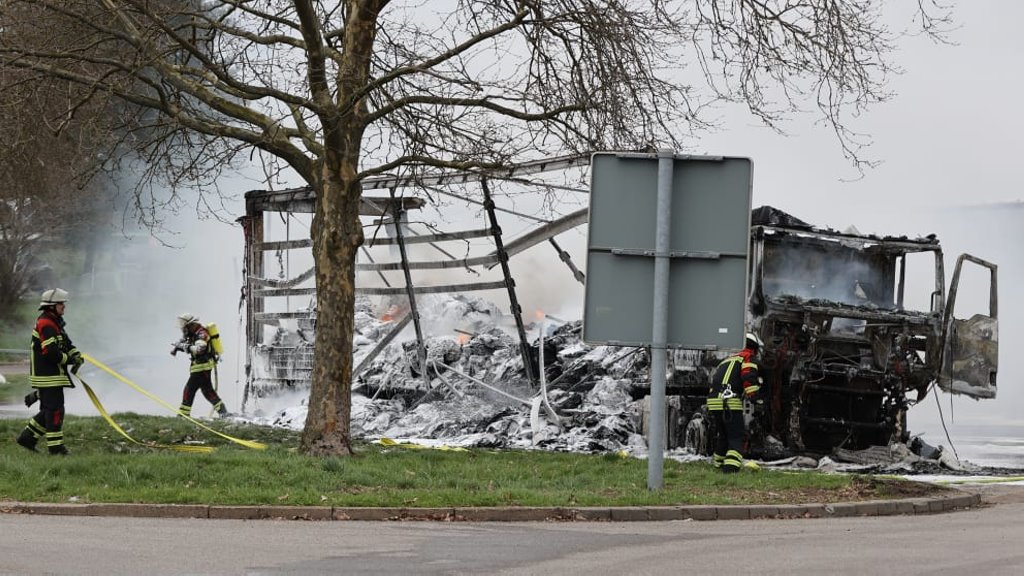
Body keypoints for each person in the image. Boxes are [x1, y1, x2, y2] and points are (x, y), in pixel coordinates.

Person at [16, 288, 83, 455]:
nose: (64, 307)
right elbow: (51, 353)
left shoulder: (55, 322)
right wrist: (70, 360)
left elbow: (66, 344)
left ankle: (27, 437)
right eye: (61, 304)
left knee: (48, 410)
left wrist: (77, 356)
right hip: (48, 376)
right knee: (55, 411)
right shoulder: (46, 324)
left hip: (51, 376)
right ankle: (56, 448)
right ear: (52, 306)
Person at [707, 331, 763, 473]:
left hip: (714, 402)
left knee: (723, 435)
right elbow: (748, 378)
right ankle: (731, 468)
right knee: (736, 436)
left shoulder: (726, 360)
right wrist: (756, 398)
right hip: (730, 402)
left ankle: (718, 464)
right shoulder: (747, 358)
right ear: (754, 348)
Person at [171, 313, 228, 417]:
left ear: (191, 325)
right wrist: (177, 348)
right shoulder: (194, 334)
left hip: (202, 368)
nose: (184, 330)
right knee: (207, 391)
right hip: (201, 368)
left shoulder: (201, 334)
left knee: (189, 390)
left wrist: (184, 346)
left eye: (185, 327)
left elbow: (200, 349)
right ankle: (223, 412)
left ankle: (183, 415)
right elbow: (191, 346)